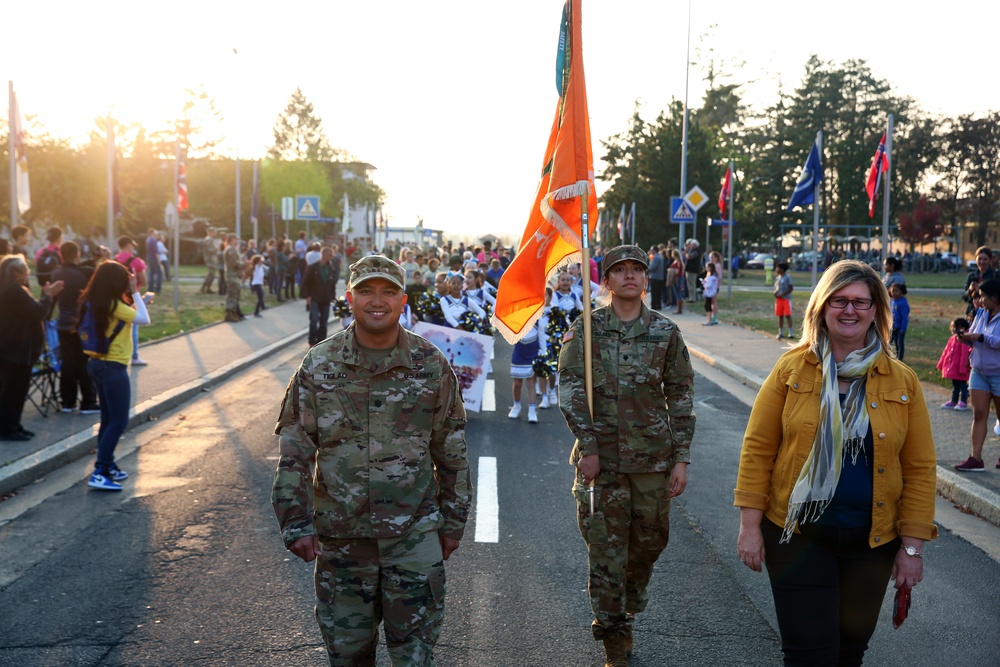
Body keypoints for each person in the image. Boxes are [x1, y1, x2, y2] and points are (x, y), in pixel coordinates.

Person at [271, 255, 471, 666]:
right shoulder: (320, 365)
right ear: (349, 298)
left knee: (414, 657)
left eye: (387, 291)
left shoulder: (430, 365)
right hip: (342, 540)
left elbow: (450, 451)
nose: (376, 301)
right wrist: (295, 521)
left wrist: (453, 524)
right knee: (347, 657)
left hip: (413, 538)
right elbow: (295, 451)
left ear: (403, 300)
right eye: (365, 291)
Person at [735, 260, 937, 667]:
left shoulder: (902, 381)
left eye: (861, 302)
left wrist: (911, 550)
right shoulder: (791, 369)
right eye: (839, 300)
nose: (850, 311)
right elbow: (758, 449)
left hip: (872, 543)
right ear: (821, 308)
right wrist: (749, 527)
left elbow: (919, 469)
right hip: (797, 539)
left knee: (849, 654)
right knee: (810, 655)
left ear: (877, 311)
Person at [557, 245, 695, 667]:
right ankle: (613, 634)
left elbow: (681, 393)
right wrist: (590, 446)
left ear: (645, 279)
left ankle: (628, 605)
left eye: (637, 269)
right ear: (607, 281)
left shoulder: (666, 332)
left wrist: (681, 457)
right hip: (603, 464)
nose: (630, 276)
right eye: (620, 270)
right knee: (605, 551)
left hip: (654, 461)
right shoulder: (587, 329)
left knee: (647, 547)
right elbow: (570, 388)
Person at [80, 261, 150, 490]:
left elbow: (135, 315)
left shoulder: (96, 301)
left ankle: (107, 465)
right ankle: (100, 471)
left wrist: (135, 298)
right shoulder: (114, 304)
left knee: (108, 421)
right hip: (113, 368)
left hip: (97, 364)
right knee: (119, 422)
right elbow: (144, 320)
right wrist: (136, 291)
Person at [0, 255, 64, 441]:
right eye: (25, 269)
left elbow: (39, 313)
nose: (28, 272)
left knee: (16, 392)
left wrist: (47, 298)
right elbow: (38, 312)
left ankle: (14, 426)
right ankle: (8, 429)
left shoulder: (13, 290)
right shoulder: (14, 292)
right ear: (16, 273)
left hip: (15, 350)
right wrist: (48, 296)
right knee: (14, 392)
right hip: (15, 351)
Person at [954, 278, 1000, 472]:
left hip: (998, 373)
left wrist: (981, 337)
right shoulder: (981, 313)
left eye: (984, 297)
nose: (980, 300)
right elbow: (975, 334)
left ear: (996, 297)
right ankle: (976, 458)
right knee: (979, 414)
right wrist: (965, 337)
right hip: (979, 372)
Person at [50, 242, 99, 414]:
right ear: (77, 253)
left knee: (68, 362)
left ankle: (68, 401)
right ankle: (88, 401)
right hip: (81, 323)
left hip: (63, 322)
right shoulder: (83, 274)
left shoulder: (56, 273)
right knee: (84, 361)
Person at [508, 314, 545, 423]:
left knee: (531, 382)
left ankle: (532, 410)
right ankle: (516, 405)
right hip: (519, 352)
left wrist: (543, 354)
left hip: (533, 352)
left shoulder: (539, 319)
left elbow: (542, 337)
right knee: (517, 382)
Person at [302, 247, 338, 346]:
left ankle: (321, 342)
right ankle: (312, 340)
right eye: (330, 255)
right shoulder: (313, 268)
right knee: (314, 320)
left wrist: (333, 297)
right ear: (324, 255)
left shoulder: (331, 269)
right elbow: (305, 282)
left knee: (324, 322)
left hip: (326, 299)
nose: (332, 257)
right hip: (315, 298)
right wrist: (307, 296)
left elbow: (332, 284)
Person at [937, 317, 971, 411]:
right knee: (955, 386)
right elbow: (946, 352)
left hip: (960, 369)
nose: (952, 330)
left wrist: (963, 368)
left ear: (961, 328)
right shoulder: (952, 339)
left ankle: (963, 402)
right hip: (953, 368)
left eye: (954, 327)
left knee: (963, 386)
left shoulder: (963, 340)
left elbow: (964, 355)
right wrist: (941, 364)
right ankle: (954, 400)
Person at [223, 234, 244, 322]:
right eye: (236, 239)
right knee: (232, 295)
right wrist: (244, 264)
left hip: (235, 276)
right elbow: (235, 263)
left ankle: (234, 313)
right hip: (232, 276)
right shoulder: (230, 250)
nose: (237, 241)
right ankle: (229, 314)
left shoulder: (233, 249)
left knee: (236, 295)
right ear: (231, 239)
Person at [774, 261, 794, 339]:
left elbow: (791, 288)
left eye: (777, 268)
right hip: (779, 299)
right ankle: (780, 332)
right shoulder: (778, 278)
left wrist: (783, 294)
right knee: (780, 316)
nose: (776, 269)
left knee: (788, 315)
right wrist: (775, 292)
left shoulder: (787, 277)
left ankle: (791, 332)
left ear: (782, 269)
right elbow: (777, 287)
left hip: (786, 299)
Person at [889, 283, 909, 361]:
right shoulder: (892, 301)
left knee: (899, 343)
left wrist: (903, 329)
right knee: (888, 342)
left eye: (896, 291)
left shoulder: (903, 303)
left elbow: (905, 318)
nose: (894, 293)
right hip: (892, 327)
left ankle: (900, 358)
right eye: (893, 291)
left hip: (900, 328)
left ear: (901, 292)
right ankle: (887, 355)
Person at [200, 228, 219, 294]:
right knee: (211, 274)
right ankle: (203, 288)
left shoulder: (210, 239)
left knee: (212, 274)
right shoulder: (208, 240)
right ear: (210, 232)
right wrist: (217, 249)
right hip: (210, 259)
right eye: (215, 232)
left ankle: (208, 288)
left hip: (211, 259)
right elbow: (209, 250)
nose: (216, 233)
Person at [145, 228, 162, 293]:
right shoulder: (153, 240)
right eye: (155, 233)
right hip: (154, 258)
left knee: (151, 273)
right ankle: (158, 289)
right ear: (152, 233)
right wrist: (158, 259)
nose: (156, 234)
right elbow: (155, 251)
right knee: (159, 273)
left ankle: (150, 288)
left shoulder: (148, 239)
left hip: (149, 257)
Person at [701, 262, 719, 326]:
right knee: (707, 305)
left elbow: (708, 285)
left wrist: (703, 283)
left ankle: (709, 320)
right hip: (710, 293)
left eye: (707, 267)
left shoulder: (712, 277)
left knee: (708, 306)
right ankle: (709, 319)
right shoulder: (711, 275)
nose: (706, 268)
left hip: (709, 293)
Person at [668, 249, 684, 315]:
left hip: (677, 279)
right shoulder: (679, 261)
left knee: (678, 293)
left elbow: (676, 271)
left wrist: (670, 270)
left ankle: (679, 309)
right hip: (679, 278)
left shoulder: (677, 262)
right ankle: (679, 308)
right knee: (678, 293)